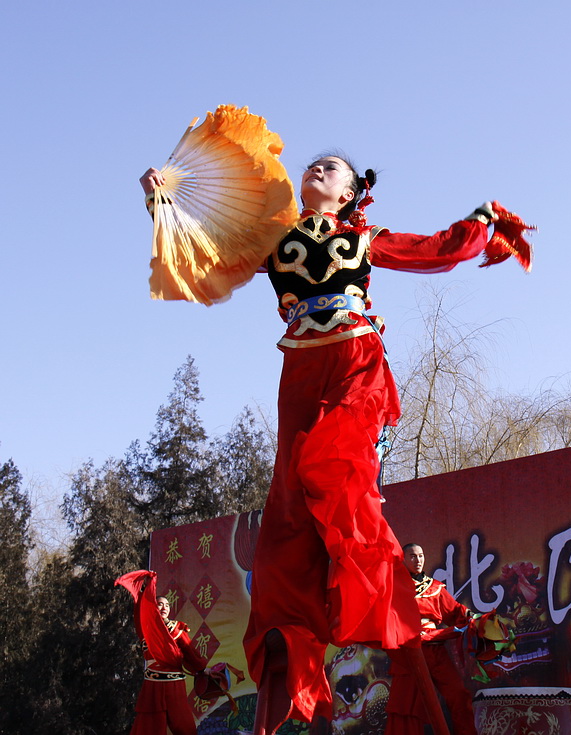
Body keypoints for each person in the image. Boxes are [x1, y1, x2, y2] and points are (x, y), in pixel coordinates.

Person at [140, 153, 514, 735]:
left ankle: (373, 600)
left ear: (350, 190)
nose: (318, 170)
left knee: (331, 468)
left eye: (332, 168)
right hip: (298, 375)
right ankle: (294, 648)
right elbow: (209, 261)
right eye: (313, 165)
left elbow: (434, 250)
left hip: (355, 363)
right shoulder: (276, 237)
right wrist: (164, 201)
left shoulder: (364, 236)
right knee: (289, 513)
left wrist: (481, 222)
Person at [385, 544, 477, 735]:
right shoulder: (394, 587)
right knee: (407, 705)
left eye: (420, 556)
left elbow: (455, 611)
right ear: (403, 559)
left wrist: (472, 616)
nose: (417, 560)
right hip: (409, 653)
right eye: (412, 556)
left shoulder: (434, 588)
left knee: (458, 695)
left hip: (436, 650)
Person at [123, 573, 208, 735]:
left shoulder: (176, 629)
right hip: (152, 682)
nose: (164, 608)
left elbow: (190, 652)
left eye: (167, 605)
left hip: (174, 682)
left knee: (184, 726)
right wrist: (146, 588)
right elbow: (140, 609)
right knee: (149, 727)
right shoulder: (146, 630)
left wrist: (202, 669)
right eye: (160, 604)